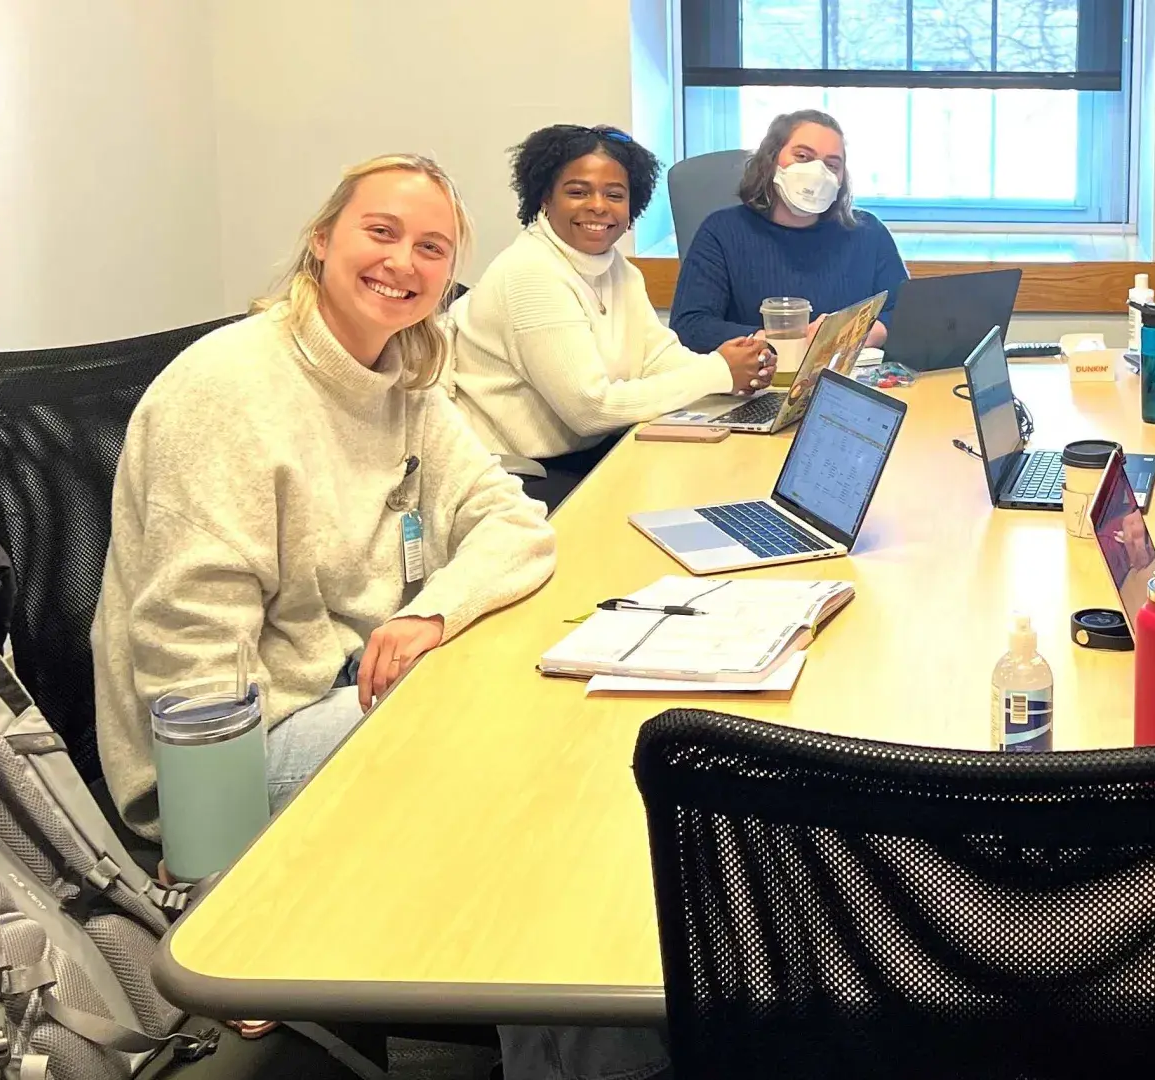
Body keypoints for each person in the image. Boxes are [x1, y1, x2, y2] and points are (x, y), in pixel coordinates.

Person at [92, 154, 558, 839]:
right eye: (381, 231)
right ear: (322, 238)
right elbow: (191, 637)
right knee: (497, 740)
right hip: (244, 747)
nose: (403, 261)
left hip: (352, 681)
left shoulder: (404, 381)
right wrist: (206, 835)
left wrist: (431, 614)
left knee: (536, 691)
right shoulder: (228, 388)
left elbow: (515, 524)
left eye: (431, 248)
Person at [449, 124, 773, 507]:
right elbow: (591, 410)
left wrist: (736, 372)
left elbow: (656, 358)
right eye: (578, 192)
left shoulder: (618, 270)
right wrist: (718, 372)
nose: (598, 206)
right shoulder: (530, 274)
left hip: (590, 452)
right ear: (545, 198)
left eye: (615, 195)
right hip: (519, 477)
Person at [668, 109, 908, 355]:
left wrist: (853, 335)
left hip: (849, 373)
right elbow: (689, 326)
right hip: (757, 374)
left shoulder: (868, 232)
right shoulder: (721, 231)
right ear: (771, 160)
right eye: (802, 157)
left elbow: (906, 315)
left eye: (831, 165)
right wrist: (781, 342)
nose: (817, 173)